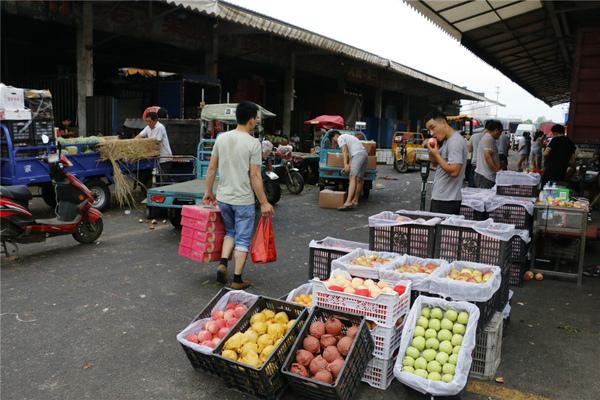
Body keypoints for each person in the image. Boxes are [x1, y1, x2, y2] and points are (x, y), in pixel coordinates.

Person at [203, 101, 274, 289]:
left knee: (230, 232)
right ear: (251, 120)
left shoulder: (221, 138)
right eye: (256, 118)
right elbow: (255, 175)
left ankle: (223, 263)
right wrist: (264, 202)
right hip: (243, 200)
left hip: (224, 198)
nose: (256, 122)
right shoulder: (253, 144)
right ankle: (237, 279)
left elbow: (211, 168)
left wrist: (209, 191)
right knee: (242, 239)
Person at [424, 110, 468, 215]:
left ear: (443, 123)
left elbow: (454, 171)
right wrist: (431, 150)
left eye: (432, 127)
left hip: (447, 200)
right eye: (429, 129)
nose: (431, 132)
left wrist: (436, 154)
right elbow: (435, 163)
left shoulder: (455, 141)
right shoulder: (446, 141)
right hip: (442, 198)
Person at [330, 131, 368, 211]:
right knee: (360, 179)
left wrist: (345, 164)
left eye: (333, 140)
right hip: (364, 154)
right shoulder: (349, 138)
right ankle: (355, 200)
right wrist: (348, 166)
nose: (335, 143)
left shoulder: (340, 137)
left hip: (358, 155)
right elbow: (351, 157)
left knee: (352, 177)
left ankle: (348, 202)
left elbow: (344, 151)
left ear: (336, 136)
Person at [136, 111, 173, 181]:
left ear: (155, 120)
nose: (148, 123)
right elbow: (140, 135)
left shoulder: (160, 127)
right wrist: (132, 142)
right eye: (146, 121)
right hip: (156, 158)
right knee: (157, 178)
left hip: (164, 158)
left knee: (164, 179)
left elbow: (156, 142)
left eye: (149, 121)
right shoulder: (148, 127)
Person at [474, 120, 503, 188]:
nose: (500, 135)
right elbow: (488, 157)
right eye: (500, 132)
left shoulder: (488, 138)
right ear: (496, 130)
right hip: (485, 177)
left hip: (484, 176)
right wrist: (497, 171)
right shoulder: (488, 139)